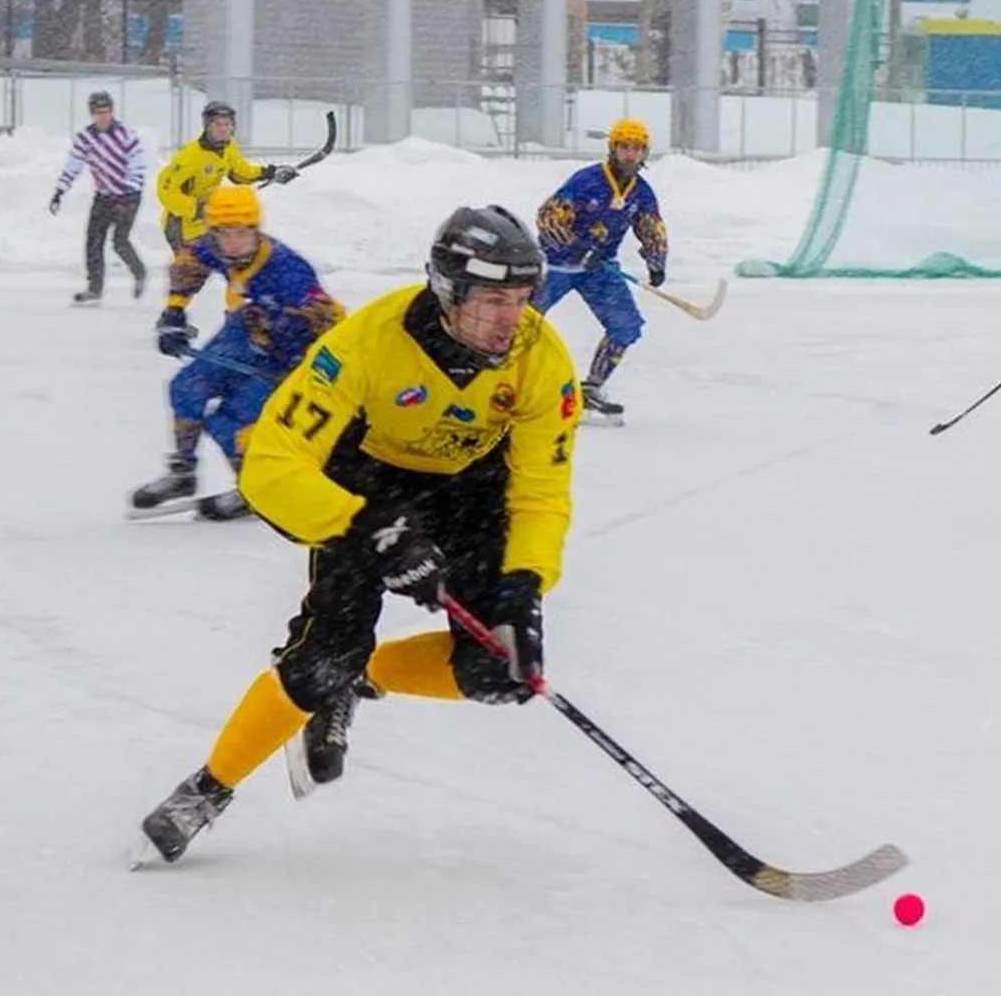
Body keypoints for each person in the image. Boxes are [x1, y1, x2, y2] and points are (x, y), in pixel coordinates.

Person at [136, 205, 582, 865]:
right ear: (447, 291)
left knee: (503, 669)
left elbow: (541, 490)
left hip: (471, 490)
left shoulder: (542, 360)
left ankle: (364, 675)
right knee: (320, 662)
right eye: (492, 299)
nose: (509, 318)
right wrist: (365, 526)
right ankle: (209, 788)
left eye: (520, 298)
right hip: (364, 484)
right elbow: (270, 466)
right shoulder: (365, 343)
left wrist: (525, 582)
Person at [127, 184, 344, 521]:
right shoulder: (214, 247)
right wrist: (174, 312)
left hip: (287, 356)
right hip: (247, 330)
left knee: (230, 421)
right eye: (223, 233)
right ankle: (182, 471)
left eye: (240, 233)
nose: (231, 243)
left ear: (255, 230)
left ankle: (254, 487)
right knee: (186, 387)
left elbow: (332, 323)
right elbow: (189, 262)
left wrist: (309, 372)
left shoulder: (290, 272)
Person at [532, 117, 669, 425]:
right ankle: (506, 381)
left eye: (637, 149)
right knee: (521, 321)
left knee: (626, 326)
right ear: (613, 148)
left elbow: (651, 226)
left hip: (598, 269)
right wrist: (576, 247)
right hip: (557, 266)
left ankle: (592, 388)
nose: (630, 155)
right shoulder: (586, 181)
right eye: (624, 147)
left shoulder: (641, 192)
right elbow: (548, 218)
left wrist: (656, 259)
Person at [155, 100, 302, 256]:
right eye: (218, 124)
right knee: (191, 274)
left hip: (208, 223)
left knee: (234, 262)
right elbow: (165, 190)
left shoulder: (228, 146)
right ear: (207, 126)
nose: (224, 129)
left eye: (228, 124)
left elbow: (240, 172)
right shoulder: (190, 156)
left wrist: (271, 173)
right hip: (182, 227)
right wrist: (197, 209)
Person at [50, 90, 149, 305]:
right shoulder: (86, 138)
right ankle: (94, 289)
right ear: (92, 114)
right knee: (93, 240)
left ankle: (139, 272)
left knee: (119, 241)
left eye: (107, 112)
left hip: (128, 195)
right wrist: (60, 190)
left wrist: (124, 195)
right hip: (104, 195)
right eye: (98, 112)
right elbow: (74, 164)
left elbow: (137, 168)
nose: (103, 116)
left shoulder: (126, 135)